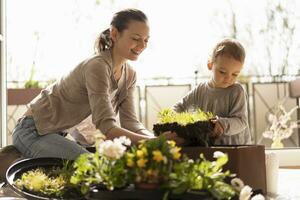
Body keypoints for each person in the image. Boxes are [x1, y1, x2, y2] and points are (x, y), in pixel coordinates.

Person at [12, 8, 155, 160]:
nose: (142, 45)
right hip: (31, 131)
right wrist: (157, 142)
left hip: (56, 135)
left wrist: (158, 141)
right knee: (92, 167)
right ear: (114, 34)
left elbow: (130, 123)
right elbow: (107, 128)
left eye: (146, 40)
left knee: (113, 167)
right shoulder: (97, 66)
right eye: (135, 38)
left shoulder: (130, 75)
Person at [167, 38, 252, 145]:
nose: (228, 78)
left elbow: (241, 121)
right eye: (222, 72)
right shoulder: (200, 90)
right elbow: (180, 106)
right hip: (209, 147)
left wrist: (222, 124)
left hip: (235, 149)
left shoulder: (237, 91)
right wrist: (171, 119)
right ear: (210, 65)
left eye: (235, 74)